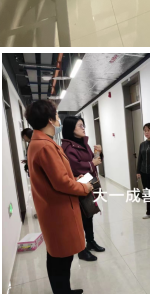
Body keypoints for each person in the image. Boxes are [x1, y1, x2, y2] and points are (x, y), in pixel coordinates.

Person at [25, 99, 93, 294]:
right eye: (56, 115)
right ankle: (62, 291)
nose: (58, 119)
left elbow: (57, 177)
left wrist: (73, 179)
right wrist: (84, 187)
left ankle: (64, 290)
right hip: (58, 210)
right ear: (49, 119)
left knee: (59, 254)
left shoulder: (41, 142)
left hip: (54, 207)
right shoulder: (45, 146)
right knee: (60, 257)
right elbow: (61, 183)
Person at [61, 116, 105, 262]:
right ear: (71, 128)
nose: (83, 128)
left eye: (83, 125)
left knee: (89, 213)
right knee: (80, 217)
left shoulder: (83, 143)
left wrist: (98, 153)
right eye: (80, 125)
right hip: (79, 186)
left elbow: (94, 160)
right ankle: (81, 250)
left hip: (88, 183)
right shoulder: (68, 147)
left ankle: (90, 241)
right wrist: (92, 164)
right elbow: (75, 167)